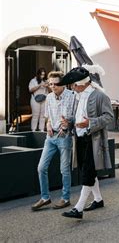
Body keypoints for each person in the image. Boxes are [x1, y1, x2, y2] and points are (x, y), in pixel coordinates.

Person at [60, 65, 113, 219]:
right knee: (88, 171)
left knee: (88, 172)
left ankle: (78, 208)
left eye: (73, 85)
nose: (72, 88)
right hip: (80, 138)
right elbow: (78, 118)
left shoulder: (100, 96)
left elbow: (109, 117)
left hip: (93, 139)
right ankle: (98, 199)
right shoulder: (79, 96)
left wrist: (90, 123)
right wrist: (69, 122)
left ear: (82, 84)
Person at [32, 71, 75, 211]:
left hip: (65, 136)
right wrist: (48, 124)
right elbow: (48, 116)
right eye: (50, 84)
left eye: (56, 84)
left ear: (62, 83)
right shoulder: (49, 97)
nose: (53, 86)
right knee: (41, 167)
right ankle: (45, 197)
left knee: (64, 170)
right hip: (50, 137)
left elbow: (76, 117)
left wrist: (68, 124)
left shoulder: (72, 96)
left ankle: (66, 198)